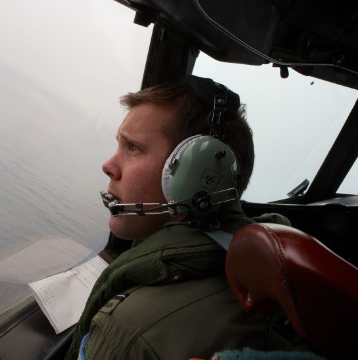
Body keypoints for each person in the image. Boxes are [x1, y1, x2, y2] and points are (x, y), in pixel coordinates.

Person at [64, 75, 314, 360]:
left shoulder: (128, 334)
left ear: (197, 177)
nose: (108, 166)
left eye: (133, 148)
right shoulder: (267, 264)